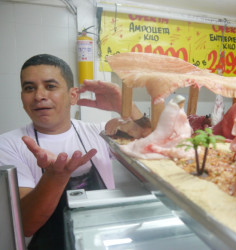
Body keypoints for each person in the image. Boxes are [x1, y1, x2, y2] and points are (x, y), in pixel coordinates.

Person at [0, 54, 140, 249]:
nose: (39, 95)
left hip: (104, 241)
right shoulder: (8, 144)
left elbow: (153, 141)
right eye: (29, 88)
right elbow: (26, 225)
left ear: (73, 95)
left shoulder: (99, 132)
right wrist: (55, 177)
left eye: (50, 86)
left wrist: (125, 106)